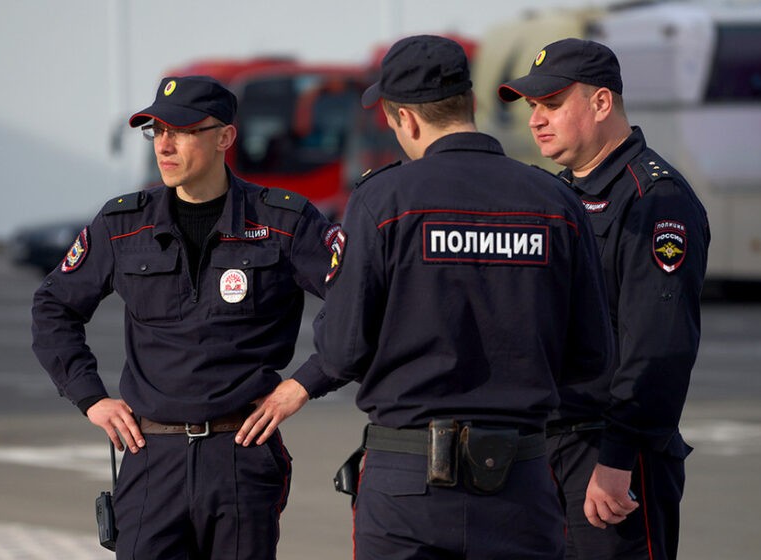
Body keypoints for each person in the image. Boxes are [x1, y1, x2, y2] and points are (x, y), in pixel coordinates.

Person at [236, 35, 614, 560]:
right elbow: (592, 355)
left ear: (406, 120)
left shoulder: (382, 200)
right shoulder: (556, 200)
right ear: (470, 103)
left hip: (409, 481)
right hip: (521, 479)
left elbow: (343, 348)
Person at [31, 75, 339, 559]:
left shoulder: (282, 221)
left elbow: (358, 302)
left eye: (182, 131)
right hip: (151, 457)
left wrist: (303, 385)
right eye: (157, 131)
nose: (165, 145)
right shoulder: (122, 224)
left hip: (240, 455)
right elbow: (54, 307)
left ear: (225, 137)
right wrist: (90, 398)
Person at [498, 38, 711, 560]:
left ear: (600, 103)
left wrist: (617, 458)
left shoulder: (655, 199)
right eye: (532, 107)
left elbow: (659, 347)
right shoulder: (560, 195)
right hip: (547, 448)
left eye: (552, 104)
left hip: (612, 452)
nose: (536, 120)